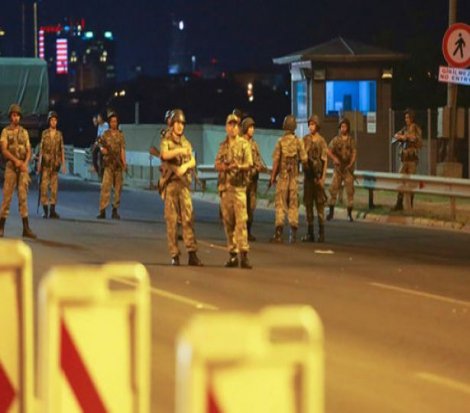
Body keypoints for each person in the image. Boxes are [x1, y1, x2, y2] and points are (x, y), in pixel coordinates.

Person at [159, 109, 203, 266]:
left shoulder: (186, 142)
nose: (180, 126)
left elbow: (192, 160)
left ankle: (192, 253)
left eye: (182, 123)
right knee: (171, 221)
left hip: (184, 185)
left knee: (188, 220)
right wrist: (179, 151)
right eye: (177, 123)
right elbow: (164, 155)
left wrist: (185, 166)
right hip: (171, 185)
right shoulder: (166, 141)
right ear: (172, 124)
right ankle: (174, 255)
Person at [215, 114, 253, 269]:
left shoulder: (244, 144)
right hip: (225, 189)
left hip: (238, 189)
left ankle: (243, 254)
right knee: (228, 223)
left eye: (236, 125)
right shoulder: (223, 146)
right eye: (230, 125)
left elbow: (249, 163)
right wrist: (224, 167)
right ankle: (232, 254)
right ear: (226, 127)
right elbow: (217, 164)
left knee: (241, 222)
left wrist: (238, 166)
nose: (233, 128)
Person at [0, 104, 37, 238]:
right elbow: (4, 150)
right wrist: (15, 161)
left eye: (17, 115)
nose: (16, 118)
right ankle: (1, 227)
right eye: (14, 115)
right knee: (7, 198)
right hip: (11, 167)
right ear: (10, 117)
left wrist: (25, 163)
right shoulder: (5, 132)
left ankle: (26, 228)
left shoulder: (24, 132)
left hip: (22, 168)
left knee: (23, 197)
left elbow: (29, 150)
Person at [270, 115, 307, 244]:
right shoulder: (299, 141)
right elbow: (304, 159)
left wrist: (272, 177)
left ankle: (279, 234)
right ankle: (293, 233)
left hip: (283, 178)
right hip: (294, 179)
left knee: (280, 204)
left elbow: (276, 161)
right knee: (293, 205)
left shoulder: (280, 141)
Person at [302, 115, 328, 242]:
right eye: (310, 124)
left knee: (320, 206)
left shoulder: (321, 141)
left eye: (313, 124)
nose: (311, 126)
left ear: (317, 126)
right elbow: (301, 156)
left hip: (317, 178)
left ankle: (321, 233)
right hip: (308, 178)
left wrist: (322, 178)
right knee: (308, 205)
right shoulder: (305, 140)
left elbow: (324, 161)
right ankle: (310, 232)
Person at [96, 112, 126, 219]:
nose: (114, 123)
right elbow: (99, 143)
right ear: (109, 123)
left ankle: (115, 210)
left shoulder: (120, 135)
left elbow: (122, 149)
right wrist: (102, 149)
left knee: (118, 189)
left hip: (117, 165)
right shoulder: (105, 134)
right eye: (112, 121)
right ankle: (102, 210)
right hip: (108, 164)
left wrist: (124, 162)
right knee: (105, 187)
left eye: (115, 121)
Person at [326, 118, 357, 222]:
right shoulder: (336, 140)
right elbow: (328, 150)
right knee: (333, 190)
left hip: (348, 170)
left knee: (350, 191)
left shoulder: (351, 141)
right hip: (338, 170)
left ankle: (349, 214)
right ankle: (331, 213)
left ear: (348, 128)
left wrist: (351, 164)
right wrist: (334, 159)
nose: (343, 128)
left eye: (345, 126)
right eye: (342, 126)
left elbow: (354, 153)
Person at [392, 109, 423, 211]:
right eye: (405, 118)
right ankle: (399, 203)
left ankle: (410, 204)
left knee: (411, 182)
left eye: (408, 117)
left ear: (412, 118)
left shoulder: (416, 128)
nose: (406, 119)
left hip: (412, 159)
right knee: (401, 180)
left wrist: (407, 137)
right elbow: (395, 137)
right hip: (404, 159)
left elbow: (416, 139)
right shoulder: (404, 129)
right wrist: (402, 137)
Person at [37, 111, 65, 219]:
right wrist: (39, 164)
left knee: (54, 188)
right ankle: (45, 210)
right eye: (51, 120)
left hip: (55, 164)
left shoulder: (59, 134)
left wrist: (63, 164)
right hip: (46, 164)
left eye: (55, 120)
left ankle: (52, 210)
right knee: (44, 187)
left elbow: (61, 149)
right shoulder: (45, 133)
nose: (53, 122)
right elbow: (41, 149)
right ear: (49, 121)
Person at [241, 117, 264, 241]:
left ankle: (248, 231)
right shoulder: (240, 143)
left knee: (251, 207)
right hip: (243, 181)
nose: (252, 130)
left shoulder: (254, 144)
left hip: (253, 181)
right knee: (242, 207)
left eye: (253, 127)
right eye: (250, 127)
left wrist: (259, 167)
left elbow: (258, 160)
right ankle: (241, 232)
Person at [92, 112, 109, 180]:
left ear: (102, 118)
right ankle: (97, 170)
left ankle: (102, 173)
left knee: (101, 157)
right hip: (100, 143)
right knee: (94, 153)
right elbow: (98, 136)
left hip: (104, 144)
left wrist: (98, 142)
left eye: (98, 118)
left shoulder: (106, 125)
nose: (98, 119)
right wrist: (96, 143)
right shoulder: (99, 126)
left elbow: (104, 136)